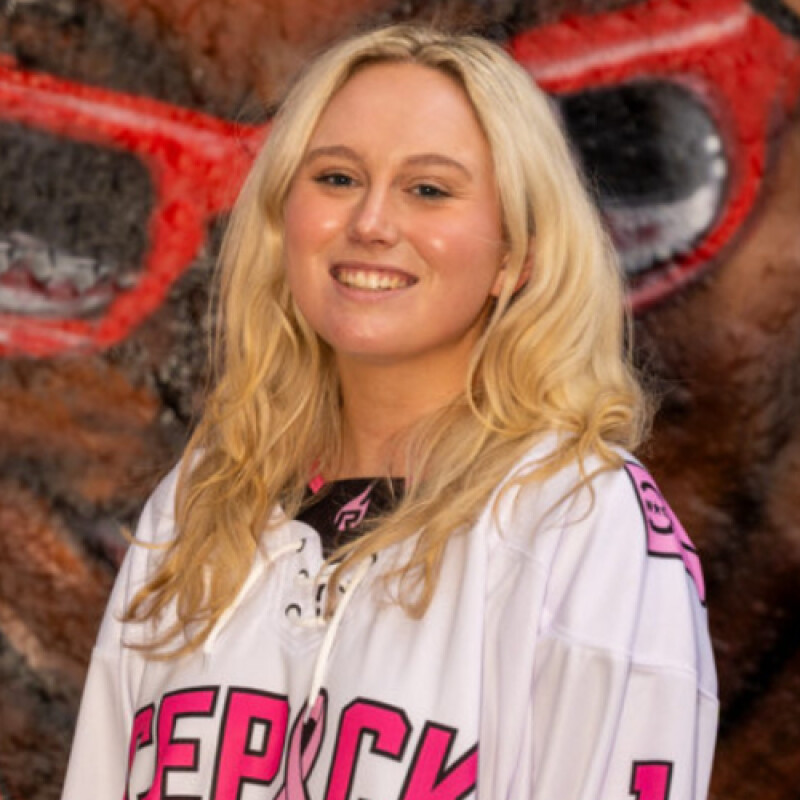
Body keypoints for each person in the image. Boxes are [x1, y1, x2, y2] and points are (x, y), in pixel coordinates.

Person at [61, 24, 717, 800]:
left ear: (517, 255)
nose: (370, 222)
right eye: (337, 178)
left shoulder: (581, 516)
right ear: (283, 217)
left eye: (429, 189)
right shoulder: (203, 497)